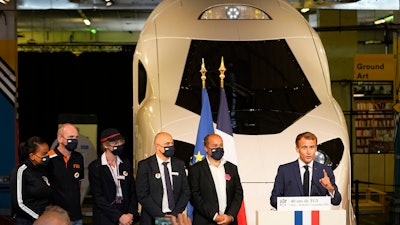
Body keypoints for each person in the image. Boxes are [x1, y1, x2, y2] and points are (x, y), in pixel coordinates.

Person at [270, 131, 342, 209]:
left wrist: (330, 188)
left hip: (316, 219)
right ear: (297, 149)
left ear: (316, 148)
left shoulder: (325, 171)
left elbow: (336, 201)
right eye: (304, 147)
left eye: (312, 147)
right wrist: (291, 205)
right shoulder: (285, 170)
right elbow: (274, 200)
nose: (308, 152)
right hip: (292, 218)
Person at [136, 132, 191, 225]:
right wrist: (162, 217)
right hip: (152, 217)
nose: (171, 146)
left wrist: (174, 214)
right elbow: (142, 194)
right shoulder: (145, 165)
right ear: (157, 146)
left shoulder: (179, 164)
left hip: (175, 217)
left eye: (172, 144)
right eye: (167, 144)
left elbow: (185, 191)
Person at [188, 133, 243, 225]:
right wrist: (214, 216)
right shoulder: (196, 169)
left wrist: (230, 216)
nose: (219, 148)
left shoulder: (231, 168)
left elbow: (238, 193)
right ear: (206, 148)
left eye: (221, 145)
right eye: (215, 146)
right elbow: (195, 196)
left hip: (228, 221)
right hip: (205, 221)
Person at [88, 128, 140, 225]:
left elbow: (132, 190)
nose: (119, 145)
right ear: (105, 145)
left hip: (126, 215)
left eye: (120, 142)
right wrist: (119, 217)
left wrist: (130, 213)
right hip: (105, 216)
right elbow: (98, 197)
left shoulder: (125, 163)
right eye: (115, 143)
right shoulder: (95, 167)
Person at [47, 123, 84, 225]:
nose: (74, 140)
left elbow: (78, 184)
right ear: (60, 139)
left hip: (76, 216)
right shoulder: (49, 157)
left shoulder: (78, 157)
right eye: (71, 137)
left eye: (76, 137)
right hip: (57, 218)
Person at [10, 136, 52, 225]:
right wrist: (39, 217)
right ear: (32, 156)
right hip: (26, 221)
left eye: (48, 153)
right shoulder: (21, 171)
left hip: (43, 220)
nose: (47, 156)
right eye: (44, 154)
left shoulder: (42, 169)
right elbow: (19, 204)